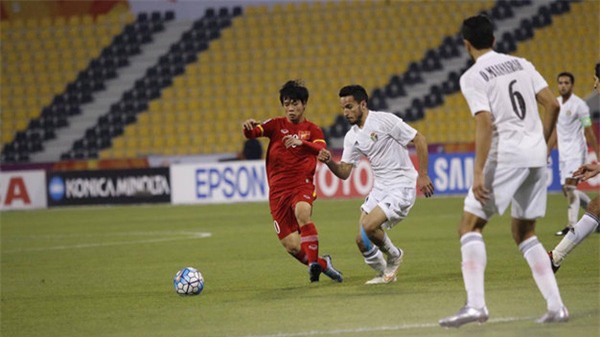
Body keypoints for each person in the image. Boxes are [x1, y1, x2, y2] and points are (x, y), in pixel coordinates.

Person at [438, 15, 566, 328]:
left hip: (507, 154)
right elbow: (553, 105)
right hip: (535, 156)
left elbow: (484, 122)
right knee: (524, 232)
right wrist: (542, 143)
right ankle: (556, 306)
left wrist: (478, 172)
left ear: (467, 45)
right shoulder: (523, 63)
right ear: (494, 40)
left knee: (469, 226)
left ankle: (476, 306)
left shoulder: (473, 76)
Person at [317, 84, 434, 285]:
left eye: (350, 106)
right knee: (361, 240)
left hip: (401, 185)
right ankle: (385, 275)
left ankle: (395, 256)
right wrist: (329, 162)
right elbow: (344, 173)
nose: (346, 112)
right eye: (343, 108)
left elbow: (419, 139)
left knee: (369, 226)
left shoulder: (384, 120)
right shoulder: (351, 136)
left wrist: (422, 175)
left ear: (363, 104)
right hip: (380, 188)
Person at [242, 80, 343, 283]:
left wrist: (301, 143)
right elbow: (254, 133)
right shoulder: (276, 125)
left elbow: (321, 150)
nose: (290, 108)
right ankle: (322, 264)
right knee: (292, 246)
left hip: (301, 183)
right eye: (287, 103)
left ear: (304, 104)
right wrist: (247, 128)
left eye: (295, 103)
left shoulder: (312, 130)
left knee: (302, 213)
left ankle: (313, 264)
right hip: (277, 192)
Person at [549, 63, 600, 272]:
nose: (595, 85)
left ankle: (555, 257)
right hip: (564, 157)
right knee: (594, 206)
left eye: (597, 79)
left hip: (576, 155)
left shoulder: (580, 106)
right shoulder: (557, 106)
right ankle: (555, 257)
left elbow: (587, 130)